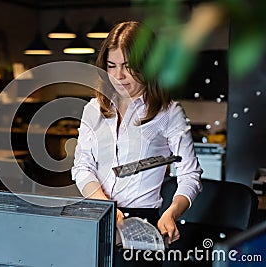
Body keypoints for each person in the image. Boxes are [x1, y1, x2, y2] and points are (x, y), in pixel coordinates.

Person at [71, 21, 203, 266]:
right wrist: (108, 208)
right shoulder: (93, 109)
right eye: (111, 66)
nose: (118, 76)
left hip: (141, 224)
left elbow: (190, 174)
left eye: (128, 67)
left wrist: (172, 212)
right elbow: (82, 167)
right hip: (96, 214)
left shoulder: (169, 113)